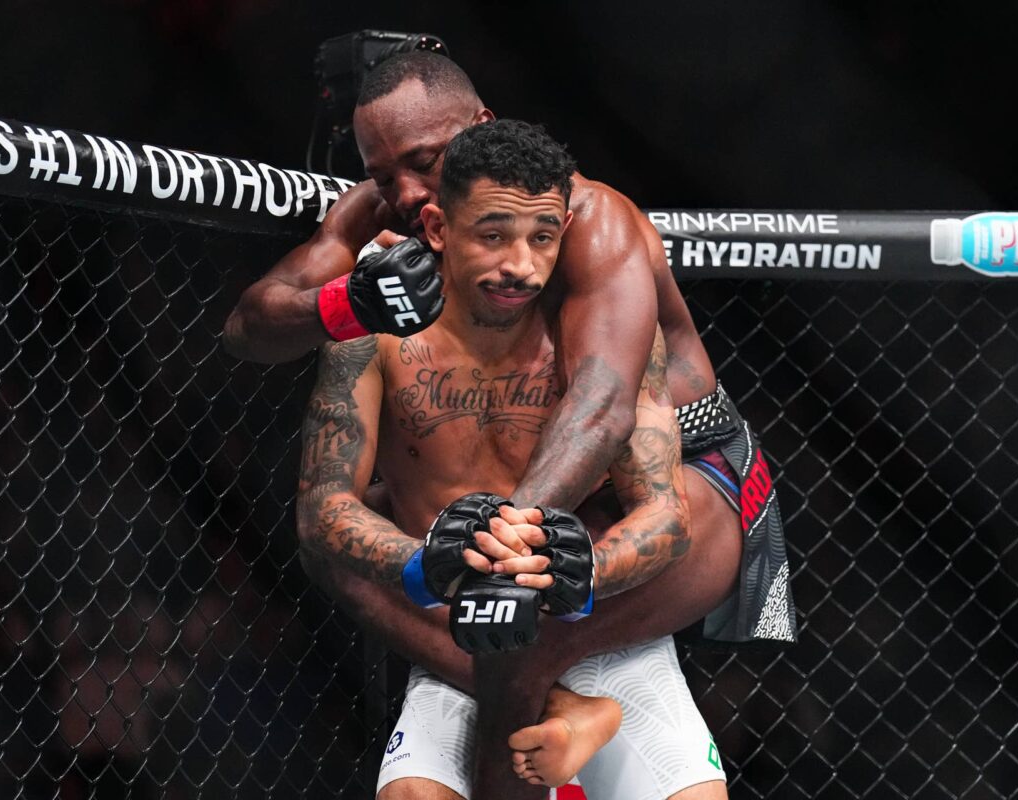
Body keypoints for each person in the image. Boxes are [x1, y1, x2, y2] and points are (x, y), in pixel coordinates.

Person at [225, 51, 795, 795]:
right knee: (343, 538)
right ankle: (565, 706)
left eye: (423, 161)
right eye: (382, 174)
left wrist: (498, 545)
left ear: (479, 127)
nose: (404, 192)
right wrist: (344, 304)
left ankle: (552, 694)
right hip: (520, 482)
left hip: (677, 464)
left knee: (514, 626)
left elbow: (602, 408)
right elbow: (247, 328)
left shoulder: (590, 222)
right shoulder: (383, 218)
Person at [298, 118, 727, 799]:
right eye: (494, 236)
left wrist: (587, 571)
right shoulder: (374, 332)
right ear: (438, 228)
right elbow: (324, 508)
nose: (521, 265)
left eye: (542, 238)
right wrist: (422, 561)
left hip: (595, 634)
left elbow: (666, 516)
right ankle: (563, 706)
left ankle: (570, 700)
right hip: (456, 640)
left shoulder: (600, 330)